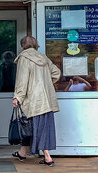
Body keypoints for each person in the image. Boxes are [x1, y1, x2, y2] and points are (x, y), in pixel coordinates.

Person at [11, 36, 61, 166]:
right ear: (35, 45)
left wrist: (18, 97)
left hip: (33, 100)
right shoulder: (43, 58)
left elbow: (22, 80)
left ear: (23, 46)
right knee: (30, 127)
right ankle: (22, 152)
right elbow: (56, 73)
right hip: (46, 100)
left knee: (34, 127)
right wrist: (45, 83)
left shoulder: (24, 58)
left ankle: (48, 157)